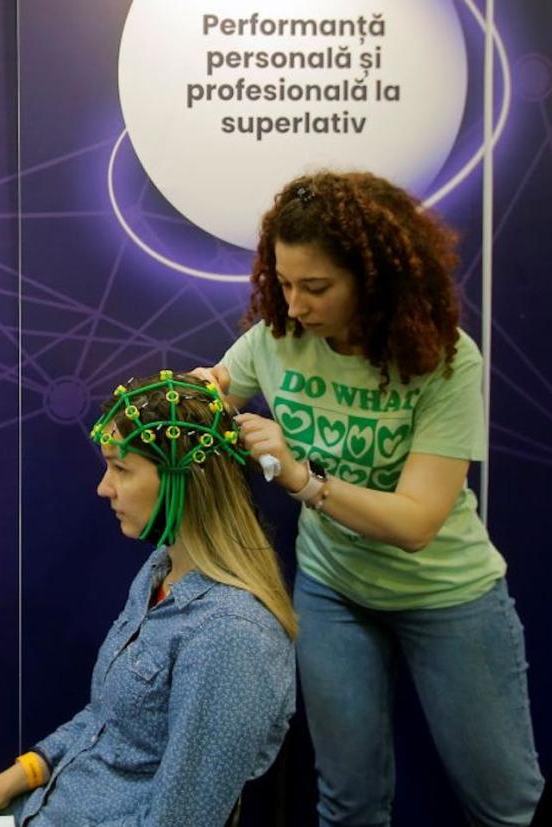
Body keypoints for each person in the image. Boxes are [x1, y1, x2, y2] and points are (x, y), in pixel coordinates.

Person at [197, 170, 544, 826]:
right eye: (284, 282)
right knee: (348, 805)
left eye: (316, 287)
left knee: (506, 805)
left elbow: (417, 521)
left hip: (447, 594)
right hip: (334, 591)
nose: (294, 305)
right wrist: (182, 399)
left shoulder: (445, 360)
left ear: (374, 279)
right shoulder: (277, 337)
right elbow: (214, 387)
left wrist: (299, 478)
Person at [0, 372, 297, 827]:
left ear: (187, 477)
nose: (104, 487)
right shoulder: (160, 571)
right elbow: (107, 722)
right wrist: (12, 779)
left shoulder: (232, 637)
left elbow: (181, 820)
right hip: (51, 804)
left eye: (121, 468)